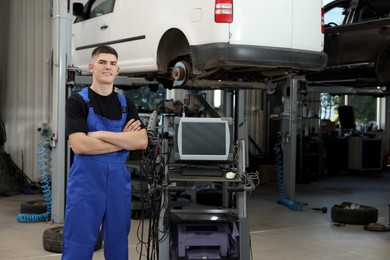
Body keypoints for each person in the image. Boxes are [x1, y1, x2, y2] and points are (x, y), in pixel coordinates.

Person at [62, 45, 148, 259]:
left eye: (112, 63)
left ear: (117, 70)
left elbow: (142, 141)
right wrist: (124, 141)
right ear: (91, 67)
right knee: (78, 243)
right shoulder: (77, 102)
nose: (107, 67)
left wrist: (98, 134)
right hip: (86, 182)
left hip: (118, 183)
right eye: (102, 62)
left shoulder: (126, 104)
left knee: (118, 242)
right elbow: (80, 145)